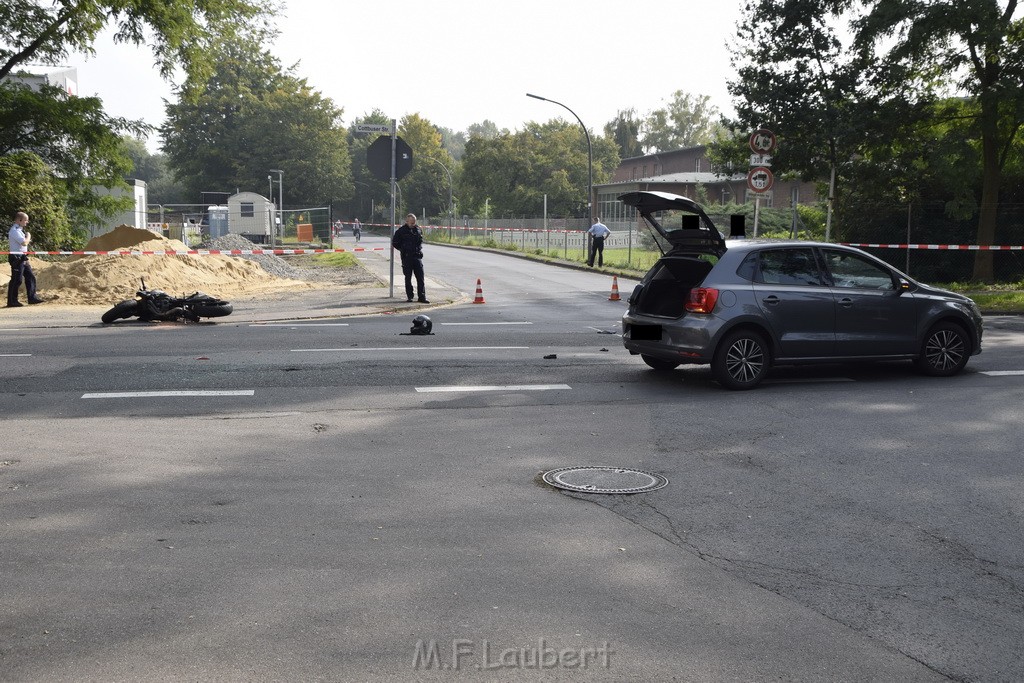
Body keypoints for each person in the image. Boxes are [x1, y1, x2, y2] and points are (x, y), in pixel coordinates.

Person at [7, 211, 42, 307]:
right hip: (16, 257)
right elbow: (24, 243)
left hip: (22, 257)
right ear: (19, 220)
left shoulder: (20, 230)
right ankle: (12, 301)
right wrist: (28, 236)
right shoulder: (14, 230)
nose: (27, 222)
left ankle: (32, 297)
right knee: (17, 279)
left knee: (30, 276)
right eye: (26, 220)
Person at [392, 213, 428, 303]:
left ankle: (422, 297)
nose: (413, 224)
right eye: (411, 222)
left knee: (420, 277)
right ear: (407, 221)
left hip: (417, 256)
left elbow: (420, 241)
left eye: (414, 222)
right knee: (408, 278)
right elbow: (395, 243)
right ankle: (410, 296)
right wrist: (403, 249)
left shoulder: (418, 229)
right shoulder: (401, 231)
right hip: (407, 257)